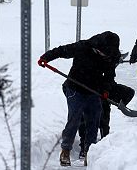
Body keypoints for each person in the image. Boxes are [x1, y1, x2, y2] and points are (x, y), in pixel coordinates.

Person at [37, 31, 121, 166]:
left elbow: (109, 76)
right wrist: (46, 57)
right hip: (74, 87)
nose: (104, 56)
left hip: (94, 90)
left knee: (94, 120)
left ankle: (90, 152)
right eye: (102, 53)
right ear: (98, 47)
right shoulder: (83, 47)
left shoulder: (111, 56)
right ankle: (65, 150)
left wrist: (105, 90)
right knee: (74, 118)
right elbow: (62, 51)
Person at [78, 83, 135, 159]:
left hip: (105, 89)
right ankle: (84, 148)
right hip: (88, 91)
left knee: (103, 121)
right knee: (86, 120)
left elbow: (129, 92)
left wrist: (122, 105)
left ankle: (103, 146)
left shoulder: (108, 84)